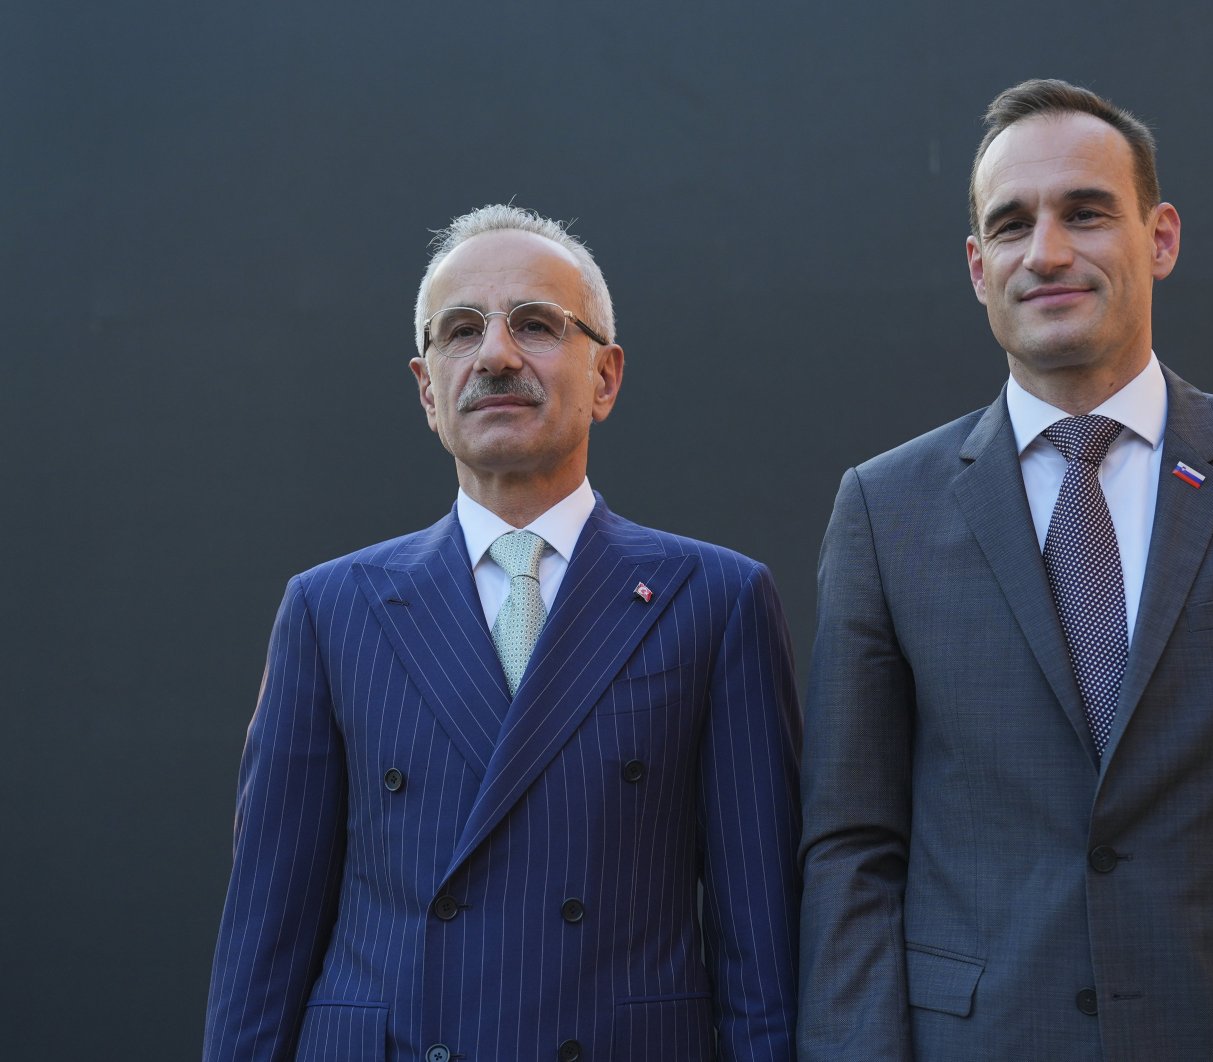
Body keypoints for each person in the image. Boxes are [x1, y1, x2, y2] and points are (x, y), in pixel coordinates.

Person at [797, 79, 1213, 1060]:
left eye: (1085, 213)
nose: (1045, 252)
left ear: (1160, 237)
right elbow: (852, 851)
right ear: (977, 267)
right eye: (1011, 225)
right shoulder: (885, 512)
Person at [204, 204, 801, 1062]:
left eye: (536, 325)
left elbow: (760, 953)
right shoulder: (329, 610)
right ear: (426, 388)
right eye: (460, 332)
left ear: (606, 376)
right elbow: (266, 937)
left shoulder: (716, 599)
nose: (495, 355)